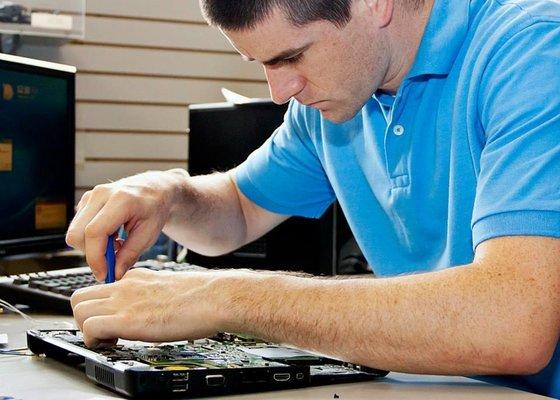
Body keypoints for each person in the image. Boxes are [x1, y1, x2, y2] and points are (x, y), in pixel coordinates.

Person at [66, 0, 560, 396]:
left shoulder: (533, 52)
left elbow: (514, 323)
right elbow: (238, 209)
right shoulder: (334, 104)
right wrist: (169, 193)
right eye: (261, 63)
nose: (280, 91)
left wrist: (220, 296)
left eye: (292, 56)